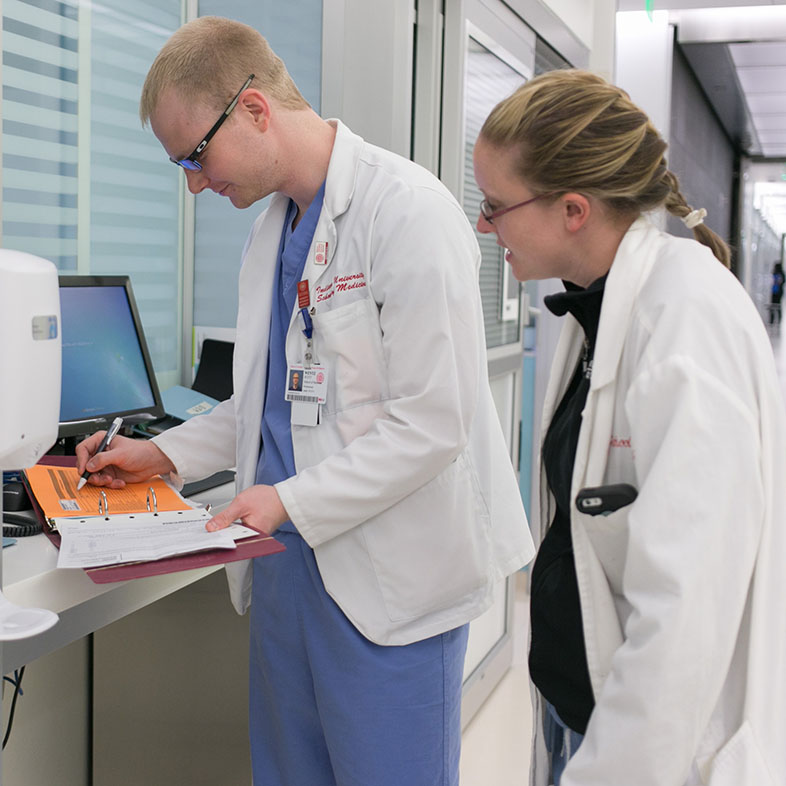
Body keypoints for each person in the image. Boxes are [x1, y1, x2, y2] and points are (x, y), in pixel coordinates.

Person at [75, 16, 534, 786]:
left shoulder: (406, 212)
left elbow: (433, 423)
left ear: (253, 110)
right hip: (289, 574)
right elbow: (268, 401)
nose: (193, 182)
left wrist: (284, 499)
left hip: (390, 590)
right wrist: (161, 453)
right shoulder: (273, 232)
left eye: (195, 155)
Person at [472, 69, 786, 786]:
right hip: (578, 703)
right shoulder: (598, 306)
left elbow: (685, 613)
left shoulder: (684, 322)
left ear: (574, 210)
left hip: (643, 744)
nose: (483, 226)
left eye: (494, 206)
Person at [769, 261, 783, 326]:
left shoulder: (781, 274)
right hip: (774, 291)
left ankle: (778, 319)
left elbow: (781, 282)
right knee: (772, 306)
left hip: (778, 292)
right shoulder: (775, 273)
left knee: (777, 306)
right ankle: (772, 319)